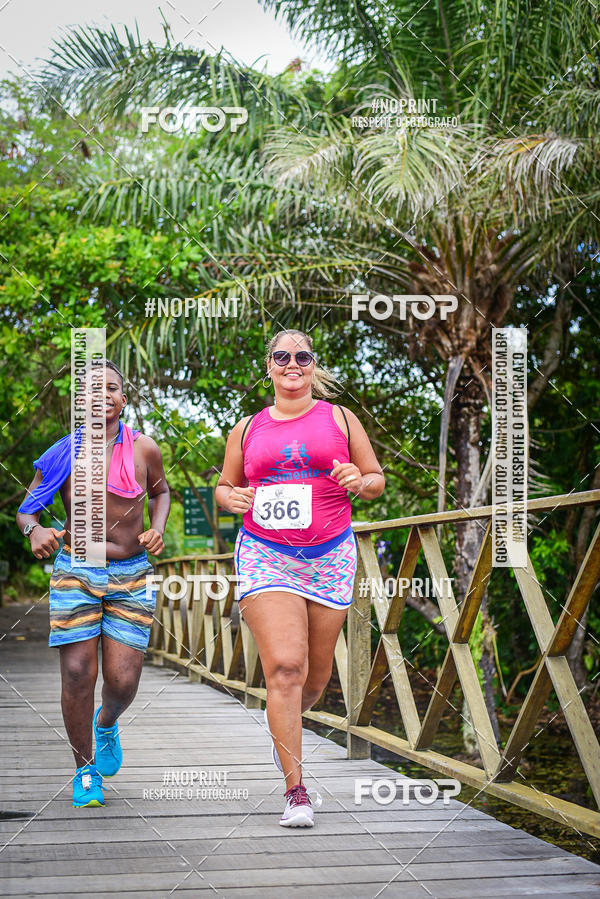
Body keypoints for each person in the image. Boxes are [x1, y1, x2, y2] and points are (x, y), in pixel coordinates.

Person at [216, 329, 384, 827]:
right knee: (285, 669)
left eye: (302, 356)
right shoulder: (247, 428)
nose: (293, 363)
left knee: (314, 678)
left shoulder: (340, 418)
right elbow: (225, 486)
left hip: (329, 556)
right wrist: (232, 499)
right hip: (266, 554)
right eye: (282, 356)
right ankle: (296, 791)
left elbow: (375, 478)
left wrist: (360, 480)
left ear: (313, 365)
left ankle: (284, 729)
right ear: (268, 365)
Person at [16, 360, 170, 808]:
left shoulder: (144, 449)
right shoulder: (62, 452)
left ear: (124, 400)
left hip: (130, 573)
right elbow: (28, 510)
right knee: (79, 672)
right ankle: (84, 771)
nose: (101, 395)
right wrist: (35, 531)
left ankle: (107, 724)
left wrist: (156, 528)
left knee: (122, 681)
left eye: (112, 388)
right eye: (90, 390)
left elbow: (160, 492)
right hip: (75, 570)